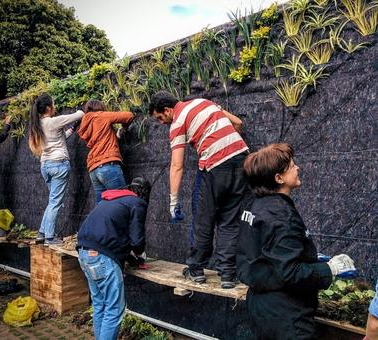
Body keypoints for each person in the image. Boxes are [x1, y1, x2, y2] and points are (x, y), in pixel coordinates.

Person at [237, 143, 356, 340]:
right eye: (292, 166)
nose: (297, 168)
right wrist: (330, 269)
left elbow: (264, 251)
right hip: (286, 315)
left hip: (259, 306)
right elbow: (290, 273)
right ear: (279, 178)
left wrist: (307, 256)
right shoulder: (282, 216)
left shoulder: (254, 206)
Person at [149, 90, 249, 289]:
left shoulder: (177, 122)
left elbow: (177, 165)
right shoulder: (204, 102)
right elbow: (237, 124)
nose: (161, 122)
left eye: (160, 118)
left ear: (168, 110)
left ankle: (196, 270)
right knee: (230, 220)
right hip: (242, 160)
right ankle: (228, 274)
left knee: (203, 218)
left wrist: (173, 201)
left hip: (215, 164)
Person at [77, 177, 151, 340]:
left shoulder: (111, 199)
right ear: (144, 194)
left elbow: (112, 235)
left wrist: (130, 259)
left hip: (84, 254)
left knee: (100, 305)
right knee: (114, 309)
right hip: (102, 258)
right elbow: (137, 240)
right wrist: (140, 255)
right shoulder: (136, 202)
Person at [29, 93, 84, 245]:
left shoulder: (38, 124)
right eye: (53, 104)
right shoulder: (53, 121)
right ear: (48, 108)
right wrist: (81, 110)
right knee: (55, 203)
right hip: (58, 165)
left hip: (45, 165)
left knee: (52, 201)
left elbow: (56, 140)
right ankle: (49, 238)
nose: (55, 106)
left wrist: (72, 130)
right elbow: (79, 114)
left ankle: (41, 233)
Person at [78, 99, 134, 204]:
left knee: (102, 206)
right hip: (108, 164)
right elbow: (128, 116)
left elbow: (100, 138)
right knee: (121, 203)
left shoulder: (86, 123)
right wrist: (124, 126)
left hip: (93, 169)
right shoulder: (100, 116)